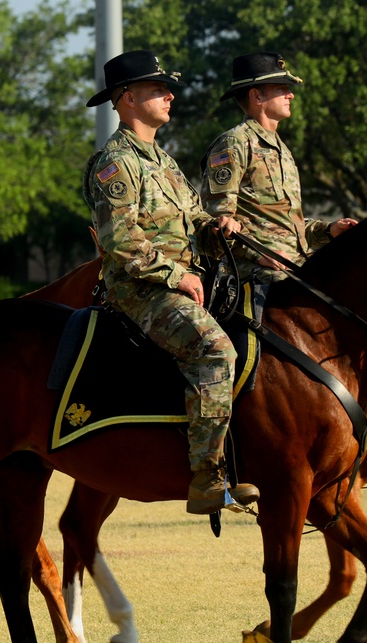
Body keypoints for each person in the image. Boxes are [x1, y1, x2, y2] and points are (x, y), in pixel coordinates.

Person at [82, 50, 260, 515]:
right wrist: (176, 274)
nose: (170, 95)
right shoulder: (115, 163)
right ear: (126, 99)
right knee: (215, 350)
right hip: (140, 291)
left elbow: (193, 216)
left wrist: (217, 226)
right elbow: (120, 240)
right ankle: (206, 476)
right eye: (157, 88)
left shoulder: (163, 160)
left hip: (188, 282)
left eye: (167, 88)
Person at [201, 52, 357, 281]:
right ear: (256, 96)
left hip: (295, 262)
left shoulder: (281, 149)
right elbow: (217, 226)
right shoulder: (234, 144)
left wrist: (329, 230)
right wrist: (259, 255)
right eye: (281, 88)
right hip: (255, 271)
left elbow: (286, 225)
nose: (291, 94)